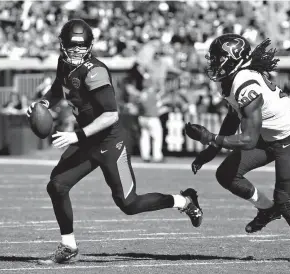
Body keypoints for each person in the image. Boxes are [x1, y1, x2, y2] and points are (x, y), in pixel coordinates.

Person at [26, 19, 203, 265]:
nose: (76, 52)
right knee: (57, 185)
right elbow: (59, 88)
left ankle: (184, 200)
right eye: (72, 47)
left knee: (129, 204)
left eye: (81, 47)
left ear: (89, 46)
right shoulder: (63, 63)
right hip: (88, 140)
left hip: (109, 142)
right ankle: (68, 246)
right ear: (62, 45)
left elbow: (111, 115)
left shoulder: (95, 71)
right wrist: (43, 104)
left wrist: (76, 135)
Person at [184, 34, 290, 262]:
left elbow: (248, 139)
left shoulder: (245, 83)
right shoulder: (231, 80)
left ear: (232, 59)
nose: (213, 62)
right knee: (226, 174)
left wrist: (210, 137)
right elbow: (233, 116)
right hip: (266, 136)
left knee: (285, 201)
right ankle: (267, 209)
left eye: (218, 57)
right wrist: (210, 150)